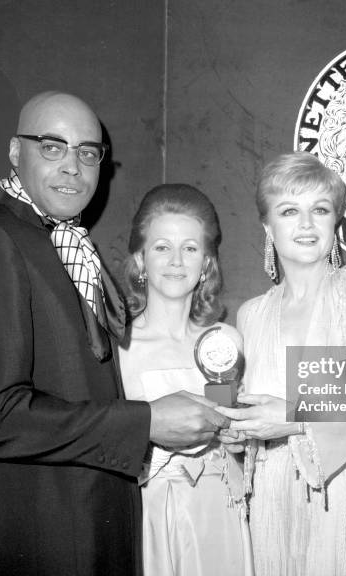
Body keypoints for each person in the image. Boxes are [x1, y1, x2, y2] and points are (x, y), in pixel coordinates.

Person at [0, 92, 228, 576]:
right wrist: (145, 423)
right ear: (13, 152)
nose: (73, 166)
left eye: (87, 152)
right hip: (27, 537)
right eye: (53, 147)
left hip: (88, 530)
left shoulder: (67, 245)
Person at [218, 152, 346, 575]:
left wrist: (292, 415)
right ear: (268, 227)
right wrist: (237, 439)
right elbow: (255, 424)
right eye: (290, 211)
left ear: (335, 222)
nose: (306, 224)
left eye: (319, 210)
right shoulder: (250, 315)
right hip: (274, 506)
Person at [118, 183, 252, 576]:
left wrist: (242, 438)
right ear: (141, 258)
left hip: (219, 513)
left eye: (190, 248)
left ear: (207, 262)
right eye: (162, 247)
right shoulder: (117, 346)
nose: (176, 261)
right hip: (148, 517)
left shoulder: (225, 342)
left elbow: (241, 446)